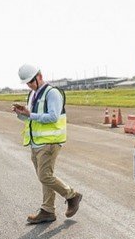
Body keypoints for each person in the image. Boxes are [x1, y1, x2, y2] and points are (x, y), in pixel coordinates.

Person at [12, 64, 83, 224]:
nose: (29, 85)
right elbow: (31, 117)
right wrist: (21, 114)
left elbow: (53, 116)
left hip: (50, 142)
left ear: (39, 76)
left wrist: (31, 114)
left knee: (44, 175)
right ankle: (47, 210)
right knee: (45, 177)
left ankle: (72, 195)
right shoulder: (32, 94)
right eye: (27, 83)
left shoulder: (53, 93)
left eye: (31, 81)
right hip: (36, 142)